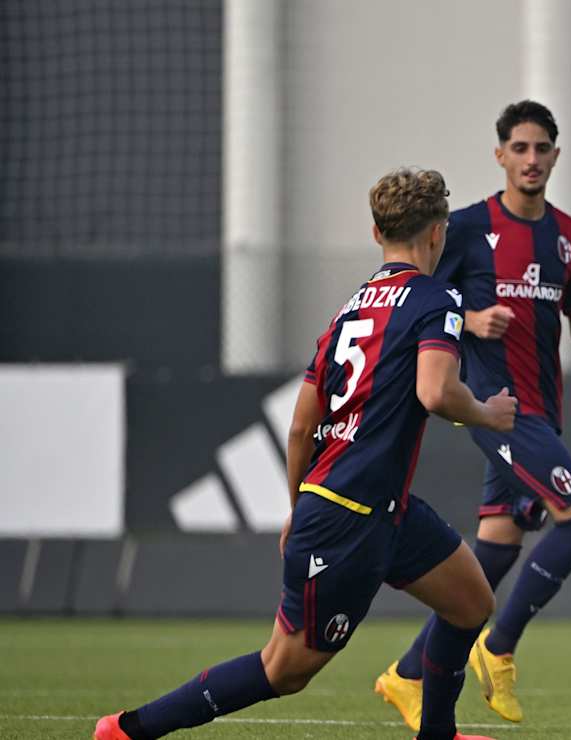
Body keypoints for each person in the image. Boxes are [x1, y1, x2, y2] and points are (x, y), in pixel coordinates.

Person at [94, 167, 517, 740]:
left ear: (376, 233)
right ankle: (128, 729)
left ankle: (436, 735)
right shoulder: (436, 298)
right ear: (439, 233)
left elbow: (300, 428)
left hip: (378, 507)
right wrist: (488, 412)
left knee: (470, 602)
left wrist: (297, 503)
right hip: (348, 515)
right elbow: (436, 391)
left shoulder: (351, 310)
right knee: (283, 669)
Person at [375, 101, 571, 730]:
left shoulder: (570, 235)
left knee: (495, 551)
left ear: (554, 155)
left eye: (542, 148)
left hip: (543, 410)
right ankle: (501, 644)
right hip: (498, 410)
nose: (531, 159)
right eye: (519, 148)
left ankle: (408, 675)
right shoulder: (463, 228)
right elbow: (408, 293)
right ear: (500, 155)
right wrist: (465, 319)